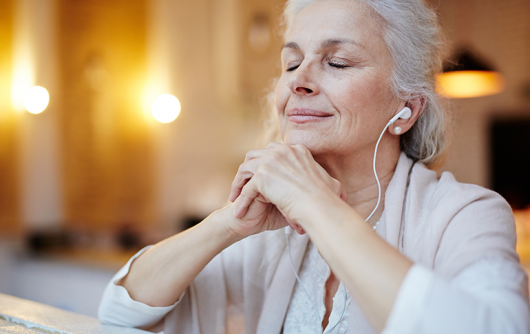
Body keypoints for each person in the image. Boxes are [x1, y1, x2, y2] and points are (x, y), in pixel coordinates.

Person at [98, 0, 530, 333]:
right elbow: (120, 309)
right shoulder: (271, 233)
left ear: (406, 108)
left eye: (336, 62)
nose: (298, 80)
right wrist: (227, 224)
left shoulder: (467, 213)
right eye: (291, 63)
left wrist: (318, 205)